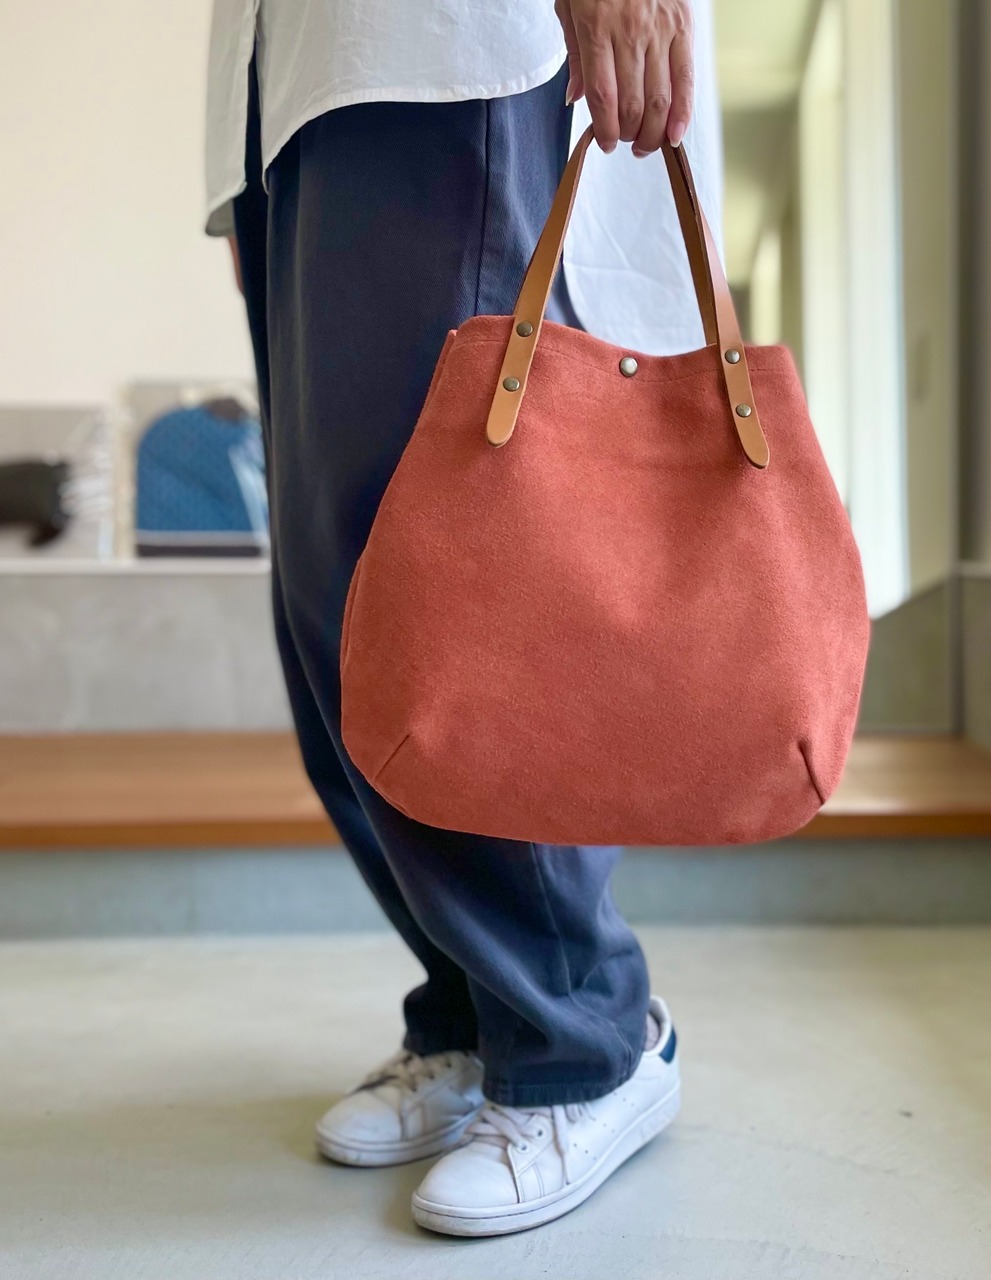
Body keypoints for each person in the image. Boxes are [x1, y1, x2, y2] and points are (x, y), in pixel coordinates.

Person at [204, 0, 719, 1239]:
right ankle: (476, 1007)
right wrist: (247, 154)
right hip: (299, 82)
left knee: (457, 598)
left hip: (444, 49)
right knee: (338, 599)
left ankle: (579, 1038)